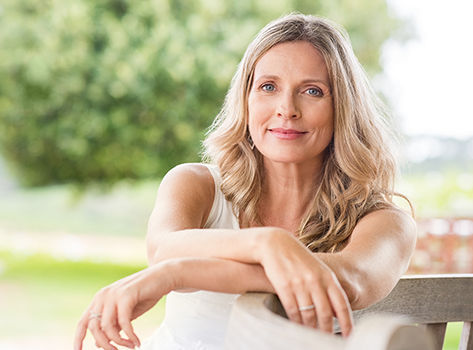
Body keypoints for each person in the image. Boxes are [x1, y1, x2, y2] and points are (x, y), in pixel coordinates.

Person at [73, 13, 416, 350]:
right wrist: (265, 244)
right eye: (268, 86)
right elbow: (163, 249)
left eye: (312, 91)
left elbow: (350, 280)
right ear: (246, 99)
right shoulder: (196, 184)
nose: (286, 109)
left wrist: (176, 275)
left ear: (343, 106)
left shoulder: (386, 221)